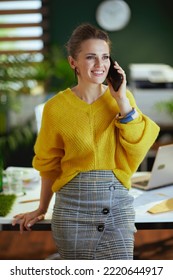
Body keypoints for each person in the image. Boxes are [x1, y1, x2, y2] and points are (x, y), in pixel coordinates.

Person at [12, 23, 160, 260]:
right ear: (73, 62)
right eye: (91, 57)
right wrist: (41, 208)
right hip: (71, 211)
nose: (100, 65)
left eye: (105, 57)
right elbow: (49, 164)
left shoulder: (122, 99)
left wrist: (121, 99)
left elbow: (138, 143)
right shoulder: (55, 108)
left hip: (117, 208)